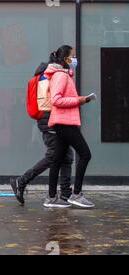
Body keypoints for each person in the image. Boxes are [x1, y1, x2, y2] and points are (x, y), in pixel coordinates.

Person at [10, 62, 74, 206]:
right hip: (51, 121)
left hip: (50, 121)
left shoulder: (42, 77)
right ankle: (21, 181)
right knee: (53, 156)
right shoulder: (47, 78)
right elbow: (53, 100)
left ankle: (65, 194)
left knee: (67, 156)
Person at [43, 45, 94, 208]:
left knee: (57, 159)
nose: (75, 59)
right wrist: (80, 100)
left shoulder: (64, 76)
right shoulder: (61, 76)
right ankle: (76, 194)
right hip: (65, 122)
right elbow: (56, 100)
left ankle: (51, 198)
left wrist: (80, 100)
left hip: (63, 122)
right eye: (73, 56)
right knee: (85, 154)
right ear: (66, 59)